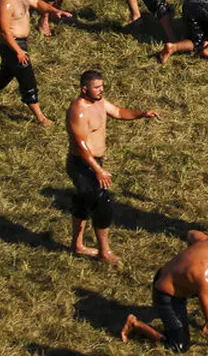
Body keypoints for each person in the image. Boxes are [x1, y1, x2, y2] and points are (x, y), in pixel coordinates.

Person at [66, 70, 158, 263]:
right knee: (102, 205)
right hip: (83, 165)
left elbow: (118, 112)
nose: (101, 90)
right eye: (97, 87)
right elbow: (81, 145)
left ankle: (77, 245)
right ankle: (104, 252)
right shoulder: (79, 110)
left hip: (95, 163)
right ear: (84, 89)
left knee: (83, 202)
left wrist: (141, 114)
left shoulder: (99, 102)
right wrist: (98, 170)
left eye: (102, 86)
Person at [121, 231, 208, 352]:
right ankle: (135, 324)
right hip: (166, 294)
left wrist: (191, 256)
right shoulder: (204, 278)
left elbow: (190, 233)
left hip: (170, 274)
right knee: (179, 347)